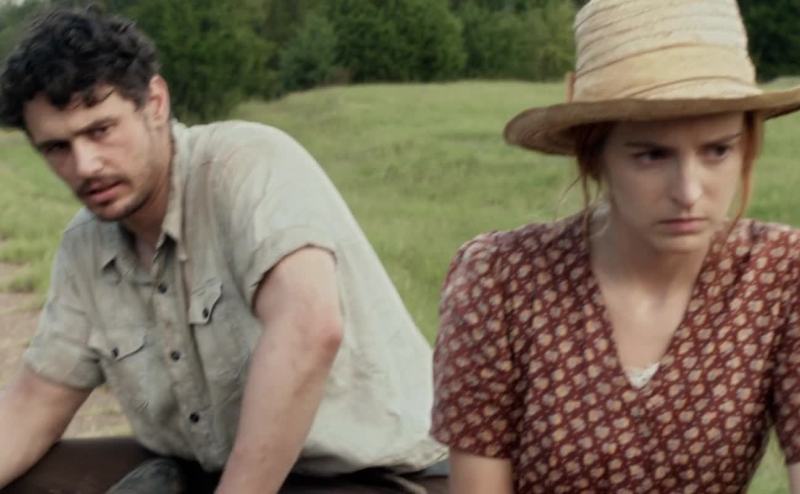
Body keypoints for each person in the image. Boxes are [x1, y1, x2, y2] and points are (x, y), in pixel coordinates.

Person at [0, 7, 446, 493]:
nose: (85, 165)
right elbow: (33, 403)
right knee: (32, 476)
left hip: (373, 475)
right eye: (57, 148)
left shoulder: (245, 164)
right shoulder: (85, 244)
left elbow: (310, 328)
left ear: (155, 102)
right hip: (208, 468)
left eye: (100, 130)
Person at [430, 0, 800, 492]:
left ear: (747, 145)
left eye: (717, 150)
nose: (688, 191)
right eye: (652, 155)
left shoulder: (779, 275)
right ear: (594, 156)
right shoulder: (501, 280)